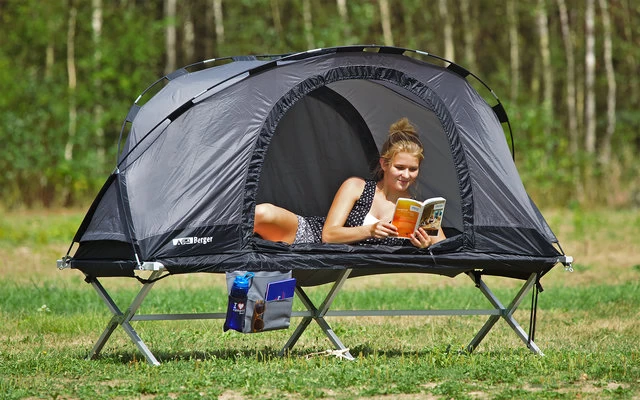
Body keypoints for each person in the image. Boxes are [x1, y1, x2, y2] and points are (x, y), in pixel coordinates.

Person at [253, 117, 446, 249]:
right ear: (384, 164)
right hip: (311, 237)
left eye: (413, 169)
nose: (406, 175)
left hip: (342, 260)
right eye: (400, 167)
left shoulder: (416, 210)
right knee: (262, 213)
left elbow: (445, 248)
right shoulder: (357, 187)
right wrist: (369, 230)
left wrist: (425, 245)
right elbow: (328, 235)